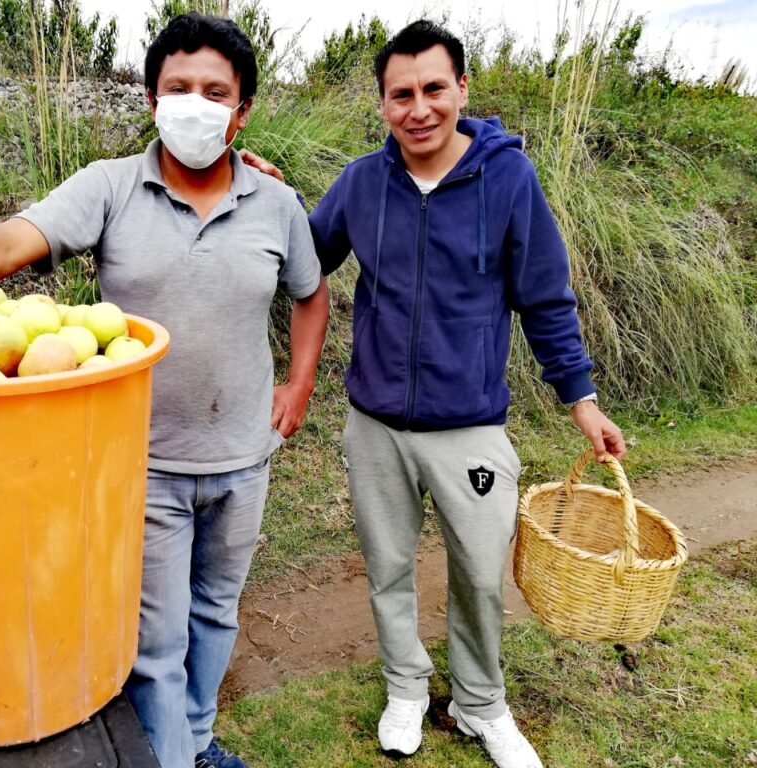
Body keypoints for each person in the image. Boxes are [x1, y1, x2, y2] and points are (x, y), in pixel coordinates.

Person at [0, 13, 329, 768]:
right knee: (156, 634)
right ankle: (170, 759)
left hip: (246, 455)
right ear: (152, 100)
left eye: (216, 92)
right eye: (178, 87)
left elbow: (311, 294)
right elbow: (9, 243)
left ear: (242, 111)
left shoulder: (277, 205)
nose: (195, 103)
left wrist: (299, 383)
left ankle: (200, 737)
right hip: (142, 462)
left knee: (216, 611)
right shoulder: (111, 187)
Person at [244, 18, 625, 768]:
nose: (418, 109)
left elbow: (545, 298)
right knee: (386, 567)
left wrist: (580, 399)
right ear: (382, 103)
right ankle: (407, 691)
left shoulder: (510, 179)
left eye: (433, 90)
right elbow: (307, 261)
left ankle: (483, 704)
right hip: (374, 423)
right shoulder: (361, 181)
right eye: (400, 94)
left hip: (470, 426)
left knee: (480, 573)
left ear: (461, 90)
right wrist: (277, 202)